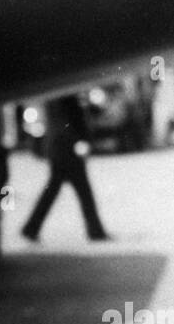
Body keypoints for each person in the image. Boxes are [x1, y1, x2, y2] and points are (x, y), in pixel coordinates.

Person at [21, 94, 109, 242]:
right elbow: (72, 119)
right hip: (67, 148)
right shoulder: (66, 94)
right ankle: (95, 230)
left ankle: (31, 227)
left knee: (56, 191)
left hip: (60, 147)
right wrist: (81, 139)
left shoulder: (58, 93)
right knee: (82, 191)